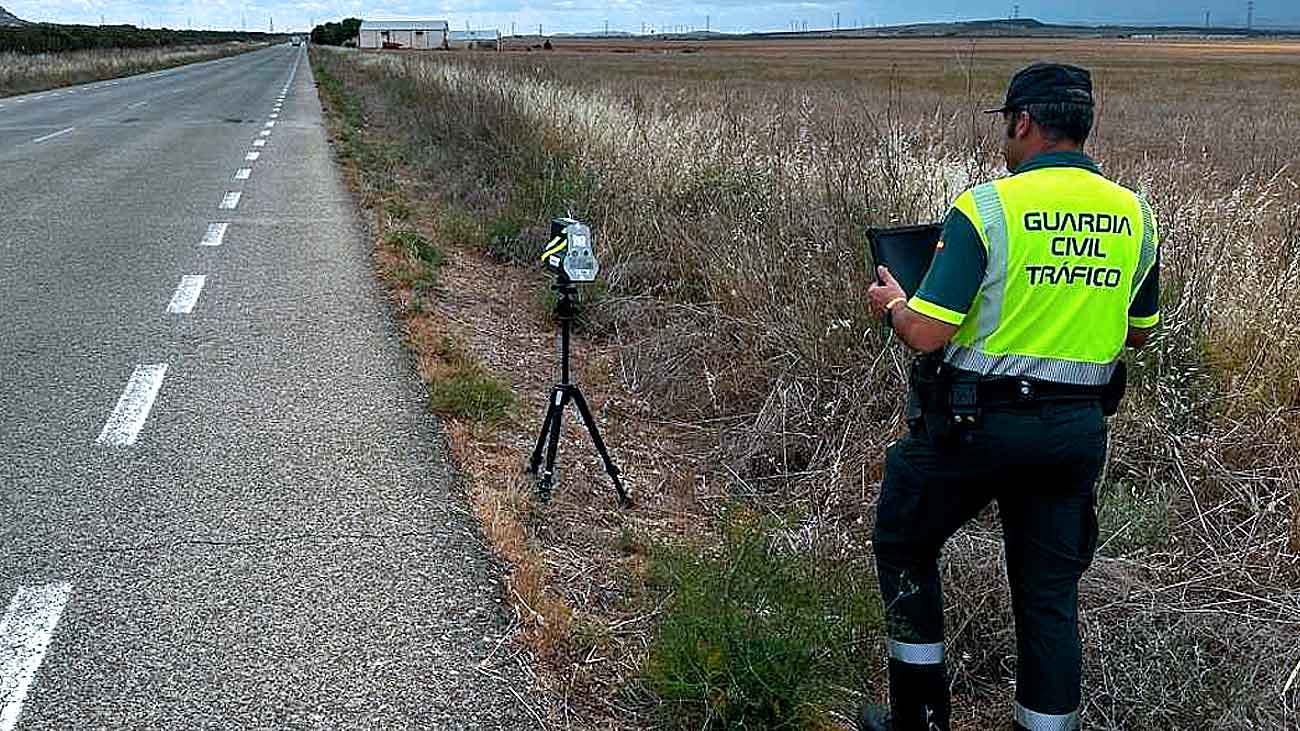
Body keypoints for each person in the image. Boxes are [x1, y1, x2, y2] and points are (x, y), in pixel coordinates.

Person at [860, 63, 1160, 731]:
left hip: (973, 427)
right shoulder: (1136, 214)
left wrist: (893, 303)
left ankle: (921, 717)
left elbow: (927, 333)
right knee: (1049, 598)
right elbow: (1140, 333)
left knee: (904, 540)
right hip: (1075, 433)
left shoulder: (986, 207)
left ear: (1022, 122)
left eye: (1008, 126)